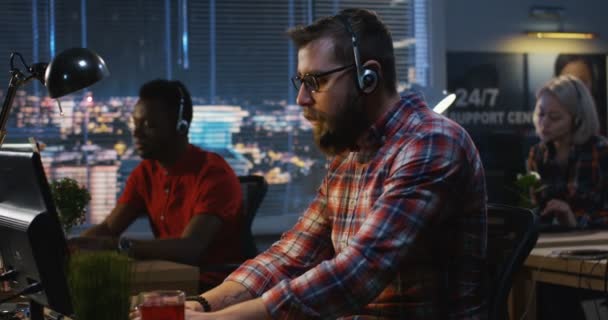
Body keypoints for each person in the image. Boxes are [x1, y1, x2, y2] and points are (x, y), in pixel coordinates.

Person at [179, 8, 487, 319]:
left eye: (314, 81)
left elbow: (359, 271)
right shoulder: (349, 154)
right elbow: (293, 254)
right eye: (300, 81)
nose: (301, 98)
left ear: (368, 78)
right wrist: (204, 304)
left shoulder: (430, 143)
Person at [70, 79, 244, 290]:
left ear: (181, 126)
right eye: (135, 123)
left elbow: (190, 248)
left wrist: (116, 246)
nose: (136, 133)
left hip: (213, 285)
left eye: (149, 125)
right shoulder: (145, 173)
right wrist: (76, 248)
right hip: (170, 277)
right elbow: (108, 228)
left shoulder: (213, 174)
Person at [528, 75, 608, 229]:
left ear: (577, 120)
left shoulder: (601, 151)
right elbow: (535, 209)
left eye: (554, 117)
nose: (544, 123)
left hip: (595, 244)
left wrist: (574, 221)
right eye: (540, 114)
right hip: (551, 242)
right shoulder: (537, 153)